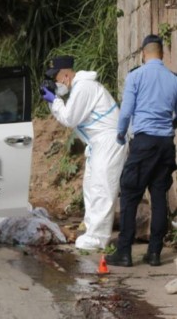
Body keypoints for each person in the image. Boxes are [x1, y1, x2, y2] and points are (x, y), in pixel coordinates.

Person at [41, 55, 128, 250]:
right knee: (90, 186)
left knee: (101, 189)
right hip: (98, 143)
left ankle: (97, 239)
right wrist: (53, 101)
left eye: (55, 79)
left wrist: (54, 100)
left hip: (108, 141)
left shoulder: (83, 88)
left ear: (64, 75)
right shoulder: (79, 88)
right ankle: (90, 228)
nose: (55, 83)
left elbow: (69, 118)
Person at [106, 34, 177, 267]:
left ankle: (124, 253)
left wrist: (120, 134)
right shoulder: (174, 79)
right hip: (166, 145)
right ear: (162, 54)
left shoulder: (136, 76)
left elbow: (126, 112)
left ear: (143, 54)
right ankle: (154, 253)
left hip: (144, 143)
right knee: (159, 198)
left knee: (129, 194)